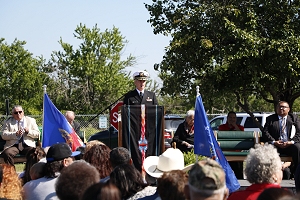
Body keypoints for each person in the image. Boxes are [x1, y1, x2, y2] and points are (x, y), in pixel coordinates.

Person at [262, 101, 300, 175]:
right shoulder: (270, 119)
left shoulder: (293, 118)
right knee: (268, 148)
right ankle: (269, 174)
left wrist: (291, 142)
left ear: (288, 109)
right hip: (276, 145)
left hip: (290, 145)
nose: (281, 108)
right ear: (276, 109)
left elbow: (299, 132)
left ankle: (297, 173)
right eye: (279, 107)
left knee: (298, 147)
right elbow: (265, 132)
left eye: (284, 107)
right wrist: (274, 141)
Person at [218, 111, 245, 179]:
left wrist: (235, 126)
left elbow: (242, 135)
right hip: (226, 152)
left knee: (238, 171)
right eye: (230, 117)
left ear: (236, 119)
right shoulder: (222, 127)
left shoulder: (240, 127)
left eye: (234, 118)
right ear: (227, 118)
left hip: (236, 152)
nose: (232, 119)